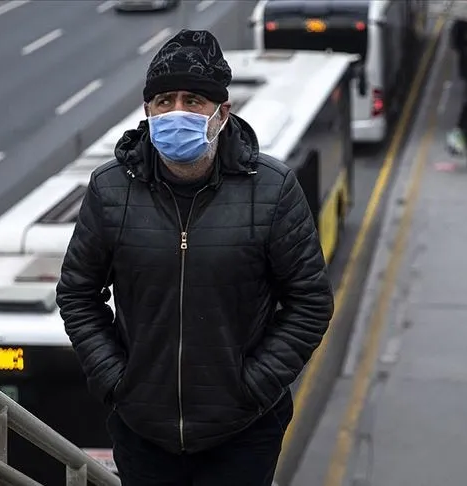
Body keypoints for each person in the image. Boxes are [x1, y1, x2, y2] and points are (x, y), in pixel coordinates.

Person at [56, 29, 334, 486]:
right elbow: (77, 292)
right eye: (164, 101)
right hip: (143, 433)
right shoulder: (110, 190)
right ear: (147, 110)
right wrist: (117, 381)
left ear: (222, 112)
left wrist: (255, 386)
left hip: (243, 433)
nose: (176, 112)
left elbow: (310, 302)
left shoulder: (272, 189)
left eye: (193, 100)